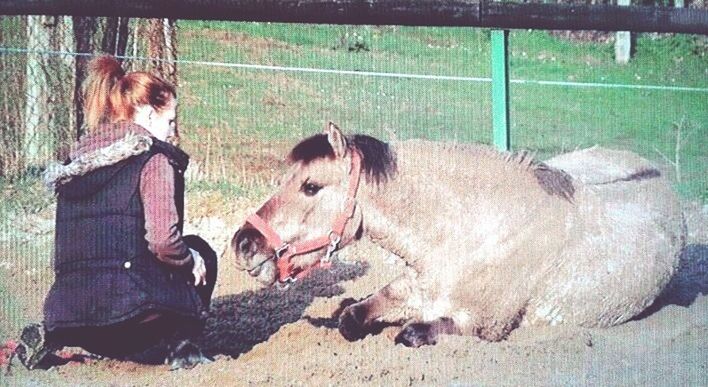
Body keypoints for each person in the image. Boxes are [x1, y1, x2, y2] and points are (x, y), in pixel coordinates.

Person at [17, 55, 217, 370]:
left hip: (70, 319)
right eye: (170, 122)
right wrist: (191, 258)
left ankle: (55, 338)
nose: (173, 133)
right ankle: (182, 347)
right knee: (200, 249)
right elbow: (163, 241)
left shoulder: (76, 166)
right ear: (150, 114)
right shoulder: (153, 160)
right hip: (133, 323)